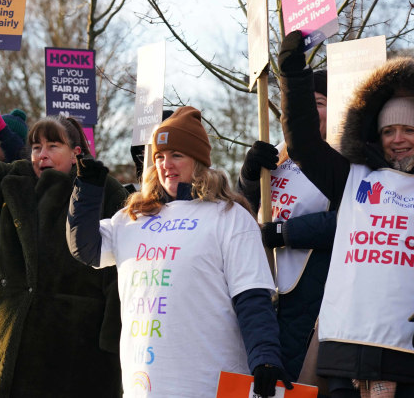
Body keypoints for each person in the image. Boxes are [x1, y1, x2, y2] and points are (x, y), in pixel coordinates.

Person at [66, 107, 290, 398]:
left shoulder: (228, 216)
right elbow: (85, 248)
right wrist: (87, 190)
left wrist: (265, 356)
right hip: (143, 386)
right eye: (159, 156)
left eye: (177, 155)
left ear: (198, 160)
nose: (166, 165)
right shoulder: (132, 218)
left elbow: (252, 297)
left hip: (209, 383)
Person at [0, 114, 125, 397]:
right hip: (1, 340)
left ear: (75, 154)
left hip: (72, 346)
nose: (42, 154)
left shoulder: (104, 191)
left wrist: (114, 342)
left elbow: (119, 273)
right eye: (36, 147)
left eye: (53, 146)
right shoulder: (10, 180)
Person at [278, 30, 414, 398]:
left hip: (404, 353)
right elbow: (303, 143)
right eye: (389, 130)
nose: (398, 139)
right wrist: (294, 78)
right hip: (343, 352)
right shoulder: (351, 177)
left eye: (408, 130)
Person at [237, 70, 338, 380]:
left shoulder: (343, 158)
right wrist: (250, 177)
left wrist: (285, 233)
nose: (308, 110)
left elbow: (350, 222)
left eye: (318, 102)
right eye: (302, 103)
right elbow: (244, 213)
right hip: (265, 290)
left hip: (311, 296)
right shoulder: (281, 153)